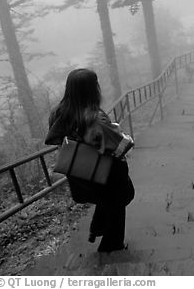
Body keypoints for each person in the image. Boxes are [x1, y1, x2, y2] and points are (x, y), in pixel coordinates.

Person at [45, 68, 135, 253]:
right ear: (93, 89)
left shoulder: (59, 114)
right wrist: (121, 134)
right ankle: (111, 246)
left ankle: (98, 227)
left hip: (79, 172)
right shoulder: (94, 118)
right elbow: (121, 146)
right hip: (104, 171)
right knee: (122, 197)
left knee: (107, 199)